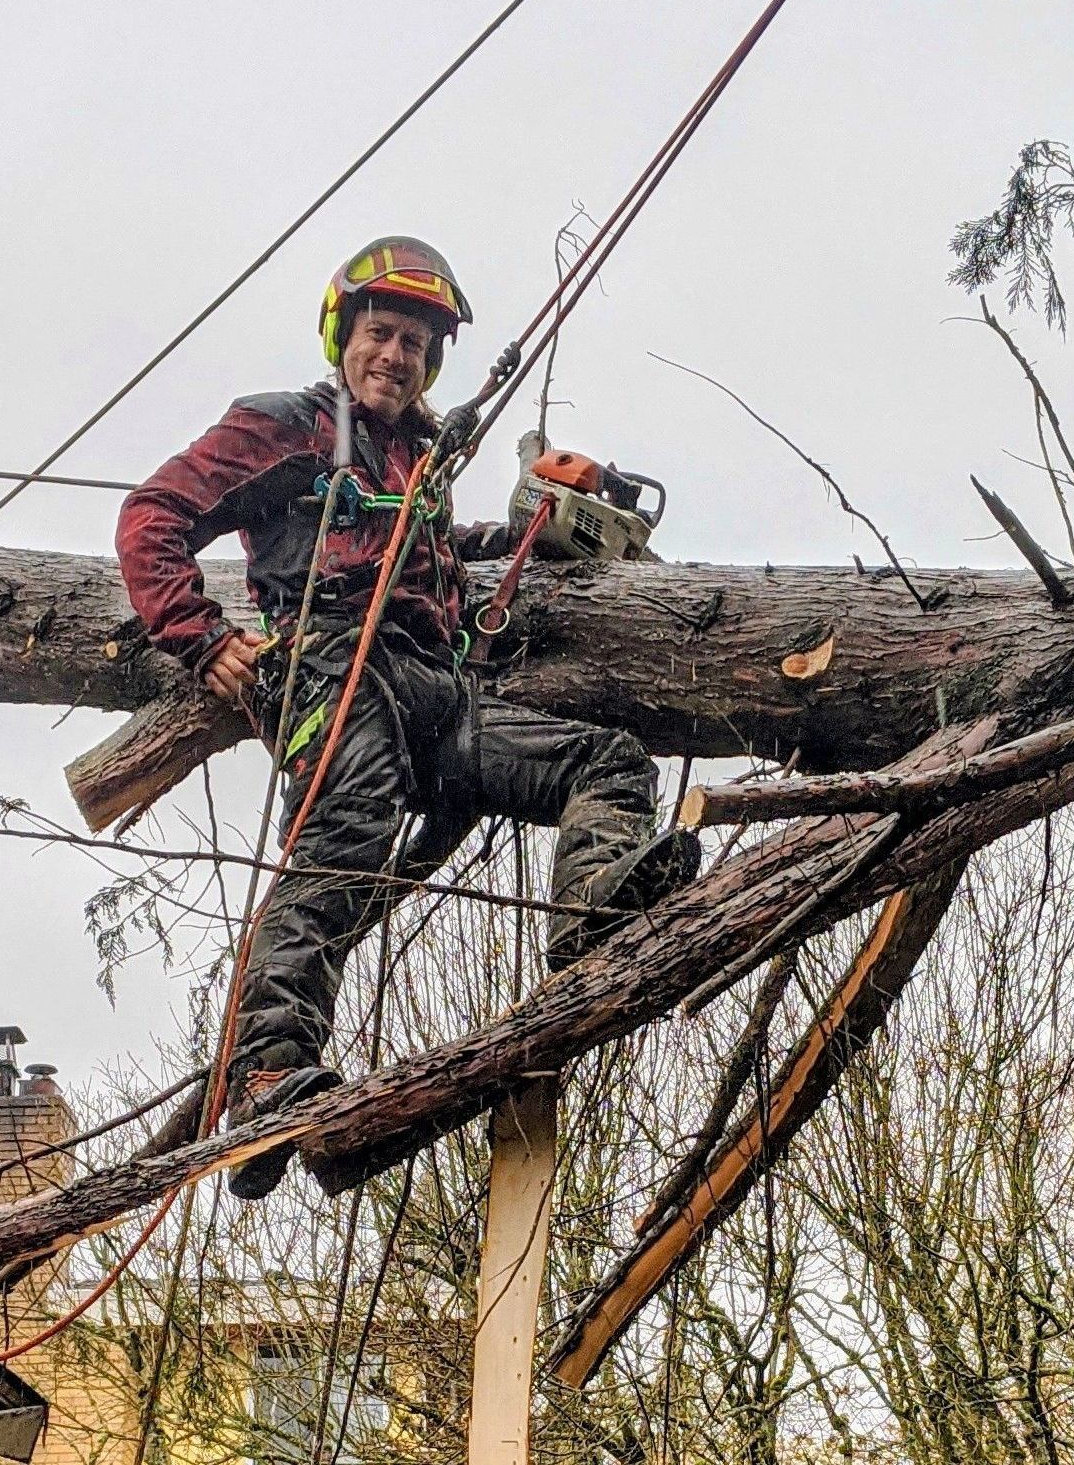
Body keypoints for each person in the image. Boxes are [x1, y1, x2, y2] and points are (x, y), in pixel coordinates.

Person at [116, 237, 697, 1198]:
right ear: (344, 337)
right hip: (328, 666)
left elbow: (408, 543)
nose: (398, 357)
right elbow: (152, 514)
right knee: (345, 835)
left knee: (605, 762)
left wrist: (515, 539)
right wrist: (200, 635)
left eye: (418, 346)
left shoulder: (417, 456)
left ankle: (594, 911)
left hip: (435, 685)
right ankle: (267, 1076)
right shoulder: (285, 426)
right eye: (382, 335)